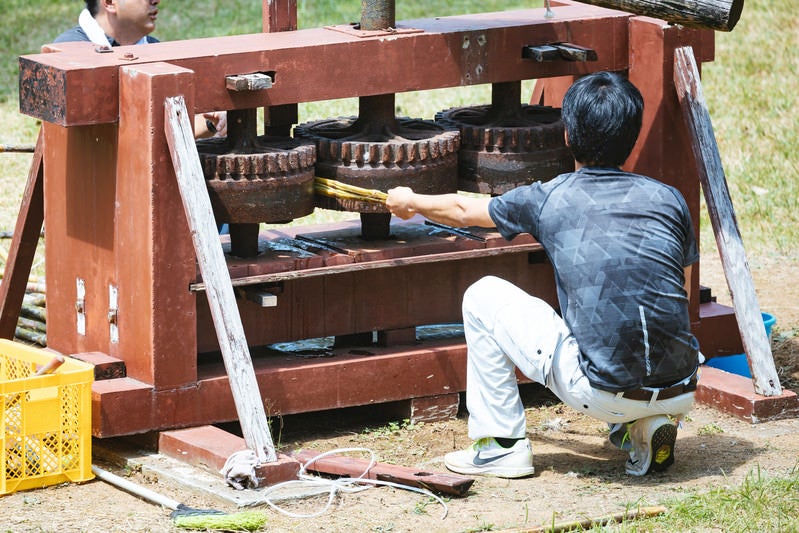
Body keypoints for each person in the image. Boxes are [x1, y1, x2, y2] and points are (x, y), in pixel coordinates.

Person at [386, 71, 700, 478]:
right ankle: (643, 423)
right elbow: (682, 293)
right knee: (631, 309)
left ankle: (501, 446)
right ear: (634, 134)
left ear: (567, 135)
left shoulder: (551, 197)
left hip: (603, 391)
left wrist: (410, 200)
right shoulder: (668, 198)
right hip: (683, 386)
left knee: (482, 296)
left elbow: (465, 212)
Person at [54, 0, 225, 139]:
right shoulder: (68, 53)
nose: (156, 1)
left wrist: (213, 121)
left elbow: (163, 131)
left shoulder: (155, 49)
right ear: (110, 2)